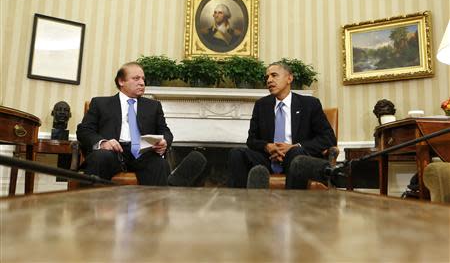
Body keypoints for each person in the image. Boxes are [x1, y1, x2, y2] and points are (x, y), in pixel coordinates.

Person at [77, 62, 205, 186]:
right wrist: (103, 143)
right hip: (113, 153)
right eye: (136, 78)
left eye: (143, 79)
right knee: (100, 157)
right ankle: (91, 206)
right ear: (121, 81)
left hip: (142, 154)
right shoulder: (101, 103)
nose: (142, 83)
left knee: (159, 164)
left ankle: (158, 204)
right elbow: (84, 130)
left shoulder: (153, 106)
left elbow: (165, 131)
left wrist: (164, 142)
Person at [227, 61, 337, 189]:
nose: (269, 80)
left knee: (296, 153)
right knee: (236, 153)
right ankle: (241, 203)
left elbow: (328, 138)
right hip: (268, 159)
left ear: (289, 78)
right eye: (267, 77)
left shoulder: (309, 104)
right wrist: (268, 146)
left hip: (296, 158)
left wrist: (295, 147)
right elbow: (251, 140)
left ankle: (293, 204)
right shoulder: (261, 105)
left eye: (274, 75)